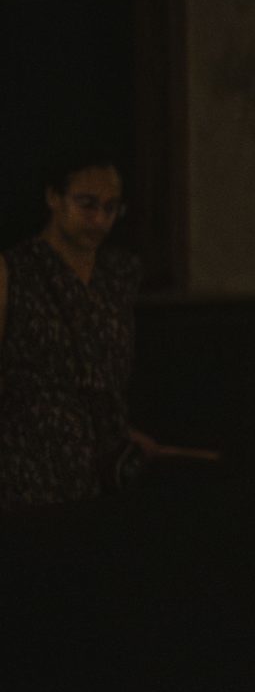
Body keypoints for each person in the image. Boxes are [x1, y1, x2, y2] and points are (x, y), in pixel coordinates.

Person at [0, 149, 158, 509]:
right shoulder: (15, 271)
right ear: (54, 197)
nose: (99, 218)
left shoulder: (119, 275)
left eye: (111, 207)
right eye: (87, 204)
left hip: (106, 472)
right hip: (29, 470)